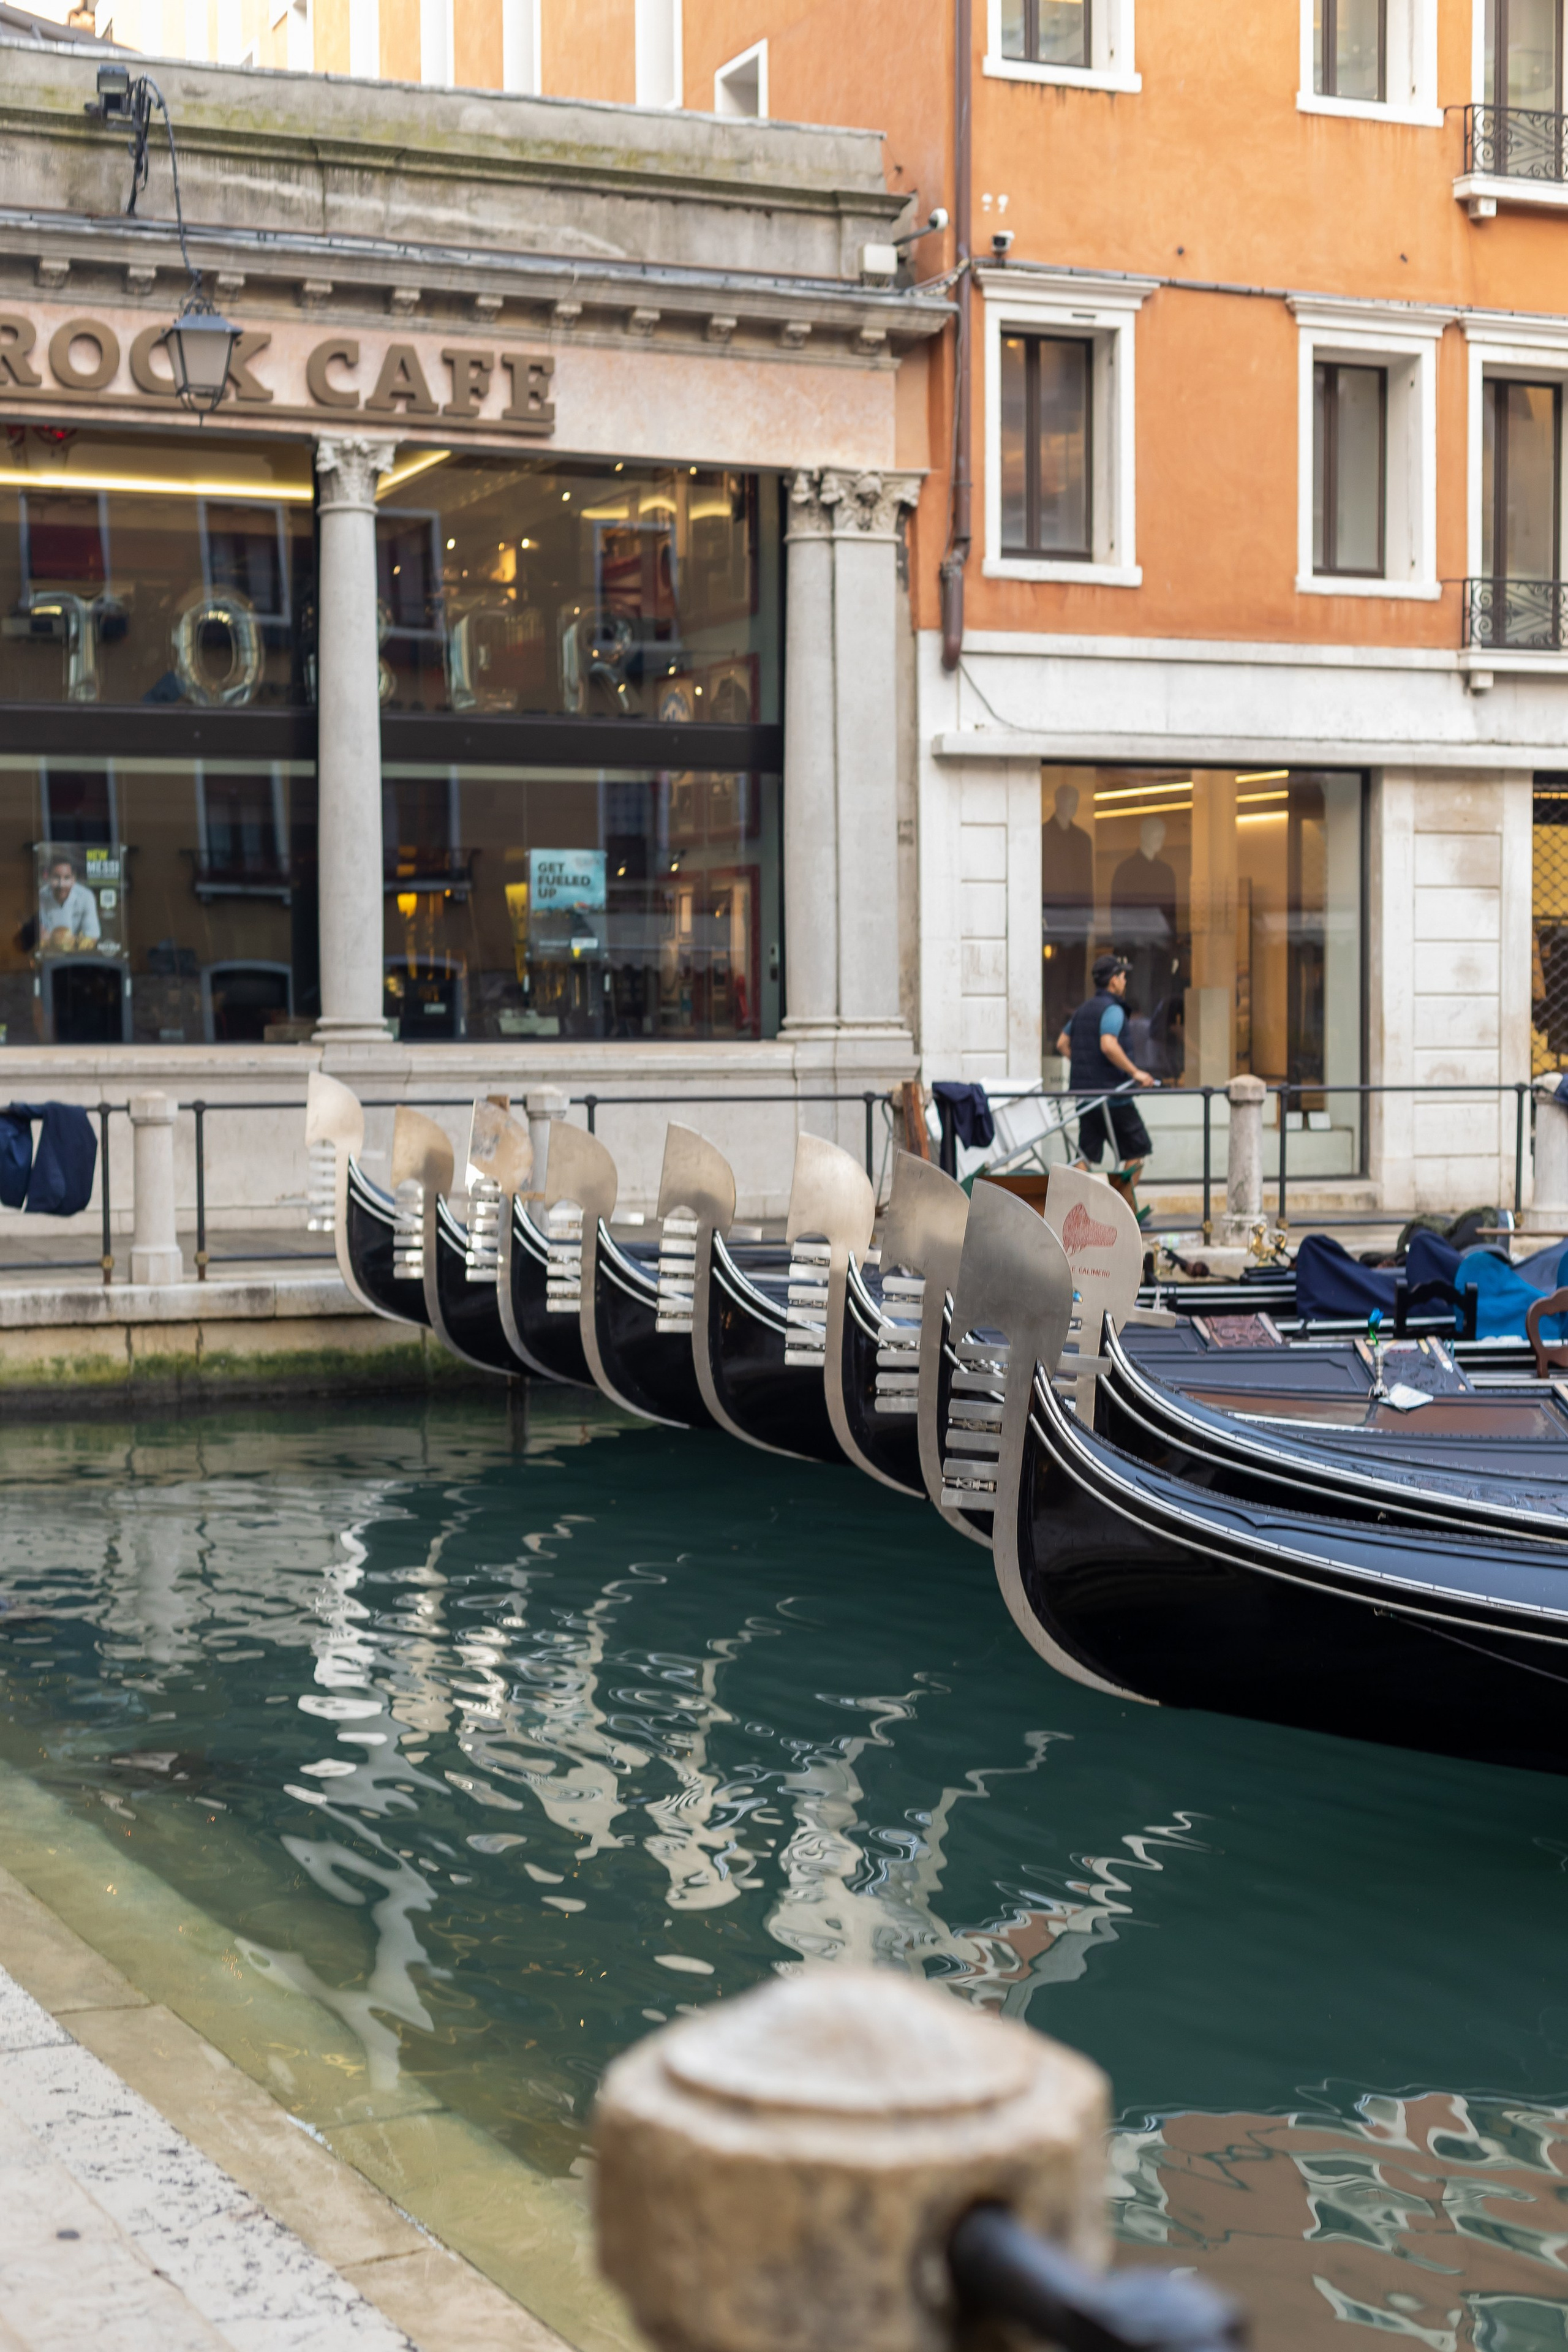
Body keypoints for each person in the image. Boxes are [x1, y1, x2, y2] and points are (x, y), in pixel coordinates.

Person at [1055, 951, 1156, 1223]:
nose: (1125, 981)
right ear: (1113, 981)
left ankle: (1068, 1210)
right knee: (1138, 1149)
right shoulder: (1113, 1010)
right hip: (1114, 1099)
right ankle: (1124, 1212)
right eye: (1123, 976)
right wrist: (1136, 1072)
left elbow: (1062, 1044)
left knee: (1085, 1158)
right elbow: (1108, 1045)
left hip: (1087, 1099)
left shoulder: (1083, 1010)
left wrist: (1087, 1065)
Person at [37, 852, 100, 955]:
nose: (61, 885)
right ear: (48, 878)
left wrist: (52, 940)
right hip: (48, 957)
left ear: (73, 879)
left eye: (67, 878)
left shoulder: (86, 897)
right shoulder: (41, 896)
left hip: (78, 957)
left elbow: (92, 937)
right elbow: (37, 939)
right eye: (56, 878)